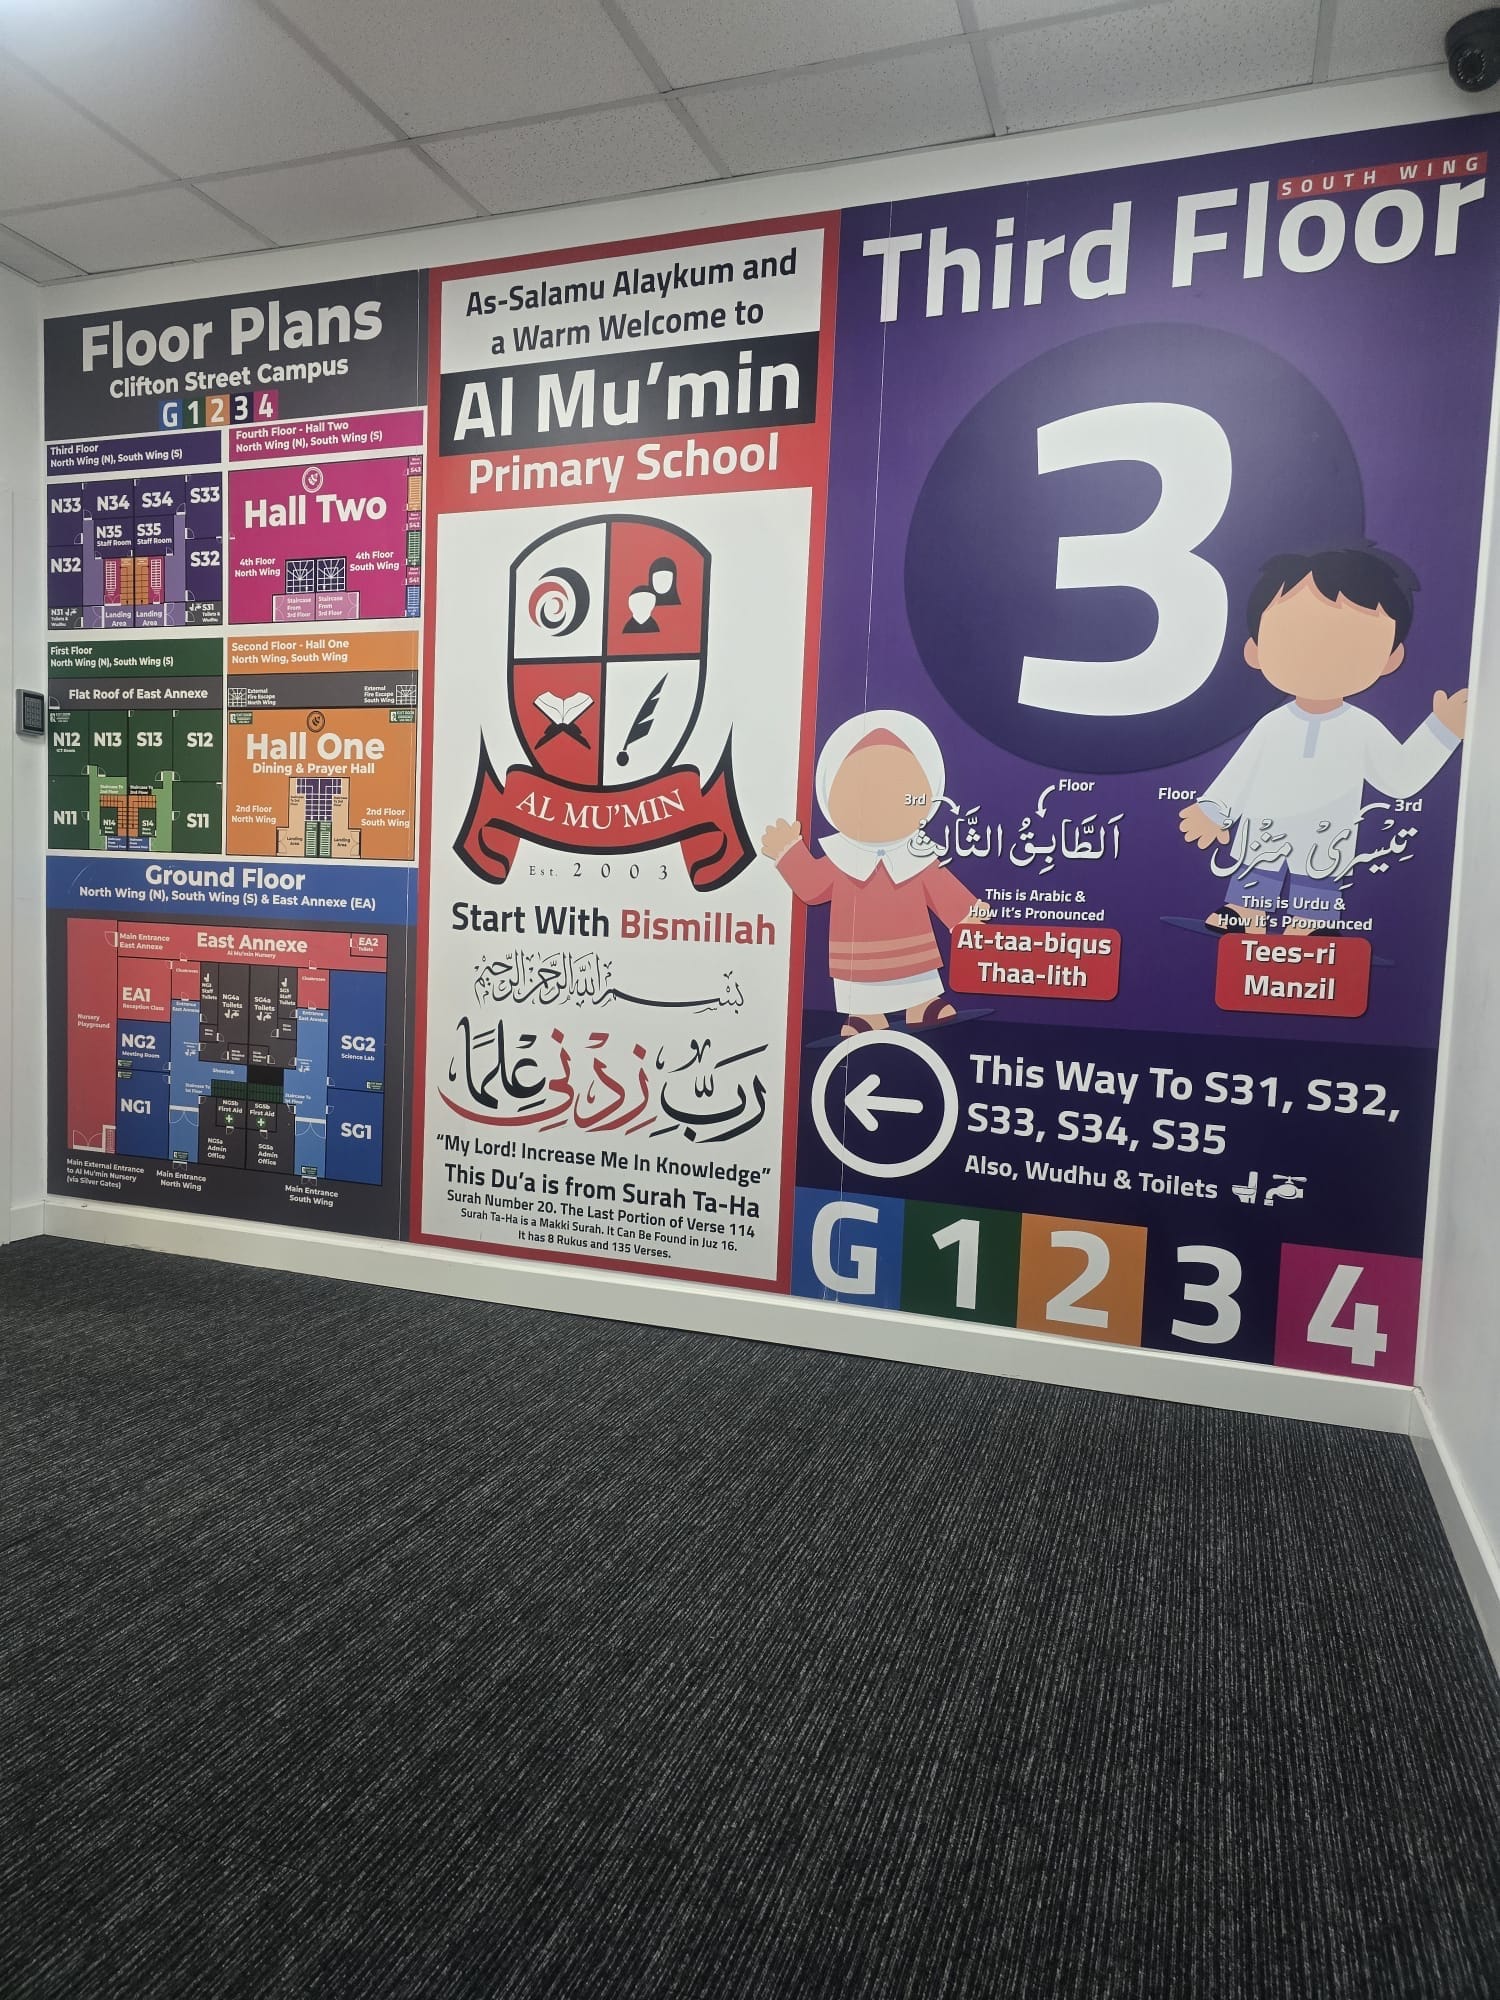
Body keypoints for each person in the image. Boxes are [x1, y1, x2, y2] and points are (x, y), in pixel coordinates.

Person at [1178, 546, 1467, 934]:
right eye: (1295, 639)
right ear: (1255, 650)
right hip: (1264, 831)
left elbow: (1400, 779)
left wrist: (1442, 732)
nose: (1320, 656)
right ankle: (1246, 913)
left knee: (1318, 878)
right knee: (1256, 870)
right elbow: (1241, 772)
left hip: (1326, 836)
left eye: (1349, 645)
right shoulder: (1273, 725)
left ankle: (1312, 921)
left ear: (1391, 658)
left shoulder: (1361, 728)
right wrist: (1214, 812)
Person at [762, 709, 990, 1037]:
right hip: (857, 961)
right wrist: (788, 852)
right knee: (861, 994)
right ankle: (865, 1015)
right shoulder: (841, 858)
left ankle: (922, 1005)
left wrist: (967, 916)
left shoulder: (917, 856)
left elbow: (941, 889)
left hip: (915, 955)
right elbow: (811, 888)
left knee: (919, 985)